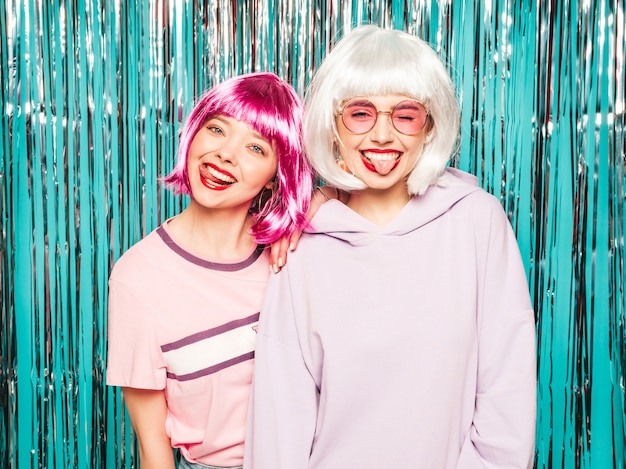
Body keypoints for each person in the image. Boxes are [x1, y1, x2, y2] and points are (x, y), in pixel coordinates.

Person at [244, 25, 537, 468]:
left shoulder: (479, 221)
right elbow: (279, 419)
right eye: (360, 113)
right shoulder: (301, 244)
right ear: (333, 125)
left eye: (405, 114)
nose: (382, 135)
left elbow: (507, 393)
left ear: (429, 126)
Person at [106, 72, 313, 469]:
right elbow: (153, 448)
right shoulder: (138, 278)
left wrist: (314, 204)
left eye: (255, 147)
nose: (225, 154)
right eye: (217, 129)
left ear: (276, 177)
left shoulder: (293, 255)